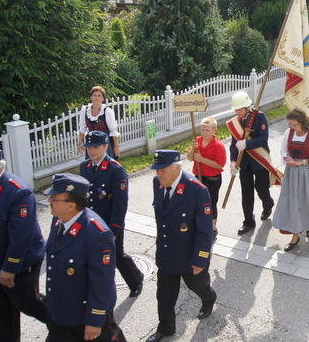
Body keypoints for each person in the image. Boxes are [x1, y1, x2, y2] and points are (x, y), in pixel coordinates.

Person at [44, 173, 125, 342]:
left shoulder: (97, 234)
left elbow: (102, 283)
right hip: (61, 312)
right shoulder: (59, 220)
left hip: (84, 318)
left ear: (71, 205)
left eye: (54, 198)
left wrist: (95, 321)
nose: (49, 201)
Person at [146, 151, 216, 342]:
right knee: (164, 295)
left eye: (162, 170)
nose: (158, 174)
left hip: (189, 255)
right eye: (156, 170)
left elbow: (205, 230)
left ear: (177, 167)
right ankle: (166, 328)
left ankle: (209, 298)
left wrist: (201, 258)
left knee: (198, 286)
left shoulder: (197, 190)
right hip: (167, 252)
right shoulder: (158, 184)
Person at [0, 147, 47, 341]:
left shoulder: (17, 192)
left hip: (18, 266)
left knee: (30, 304)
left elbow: (21, 236)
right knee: (1, 317)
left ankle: (69, 326)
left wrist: (10, 267)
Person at [80, 131, 144, 297]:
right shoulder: (85, 167)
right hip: (91, 222)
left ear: (105, 147)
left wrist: (114, 230)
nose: (91, 151)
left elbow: (120, 203)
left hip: (110, 222)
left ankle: (136, 279)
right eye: (88, 147)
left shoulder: (115, 170)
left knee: (116, 255)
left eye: (95, 147)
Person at [227, 92, 281, 235]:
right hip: (243, 162)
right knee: (246, 192)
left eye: (239, 109)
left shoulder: (259, 117)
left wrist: (247, 143)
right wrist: (233, 161)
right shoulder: (235, 122)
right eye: (236, 109)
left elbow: (263, 139)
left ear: (246, 107)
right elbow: (234, 144)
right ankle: (248, 222)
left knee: (261, 188)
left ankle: (268, 203)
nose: (237, 112)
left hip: (259, 159)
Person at [273, 108, 309, 251]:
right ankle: (295, 236)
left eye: (295, 125)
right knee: (293, 203)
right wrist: (287, 157)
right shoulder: (288, 133)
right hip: (292, 173)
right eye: (290, 125)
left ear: (303, 122)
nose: (292, 127)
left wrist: (302, 162)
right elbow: (283, 149)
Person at [188, 117, 227, 240]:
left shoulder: (218, 146)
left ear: (215, 130)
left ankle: (212, 227)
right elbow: (189, 157)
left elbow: (219, 165)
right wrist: (193, 148)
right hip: (198, 177)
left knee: (210, 203)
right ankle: (199, 225)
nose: (204, 132)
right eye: (203, 129)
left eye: (207, 130)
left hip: (212, 179)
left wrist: (201, 159)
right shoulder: (197, 141)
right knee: (197, 202)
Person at [77, 86, 120, 159]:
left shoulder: (107, 111)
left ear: (103, 98)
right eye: (94, 95)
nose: (96, 98)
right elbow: (82, 129)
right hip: (91, 143)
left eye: (99, 96)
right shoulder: (85, 110)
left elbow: (113, 131)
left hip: (104, 144)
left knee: (105, 166)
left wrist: (116, 147)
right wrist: (79, 143)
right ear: (91, 97)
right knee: (91, 166)